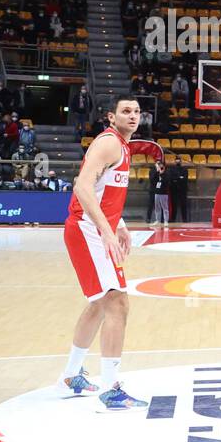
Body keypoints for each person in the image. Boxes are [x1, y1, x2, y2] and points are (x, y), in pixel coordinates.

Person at [59, 97, 148, 409]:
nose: (133, 116)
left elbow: (102, 192)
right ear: (112, 117)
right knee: (117, 303)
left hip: (96, 230)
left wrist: (119, 224)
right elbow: (82, 187)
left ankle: (72, 374)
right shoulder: (110, 143)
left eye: (137, 111)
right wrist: (107, 231)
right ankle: (111, 387)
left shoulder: (123, 147)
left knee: (99, 305)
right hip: (87, 230)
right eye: (126, 111)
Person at [149, 158, 171, 225]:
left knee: (165, 208)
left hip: (164, 192)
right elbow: (153, 180)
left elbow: (166, 182)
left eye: (160, 164)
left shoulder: (167, 173)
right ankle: (157, 220)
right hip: (157, 192)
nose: (159, 166)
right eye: (158, 164)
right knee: (157, 207)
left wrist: (162, 173)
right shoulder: (156, 172)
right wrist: (157, 171)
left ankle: (166, 221)